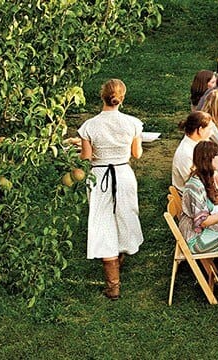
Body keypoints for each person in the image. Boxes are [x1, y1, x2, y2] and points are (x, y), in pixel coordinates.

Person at [78, 79, 144, 300]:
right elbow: (137, 154)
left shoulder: (89, 126)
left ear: (101, 96)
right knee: (125, 216)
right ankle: (118, 257)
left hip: (99, 176)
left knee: (102, 220)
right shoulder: (133, 123)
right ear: (122, 98)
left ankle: (113, 284)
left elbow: (86, 158)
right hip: (124, 174)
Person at [172, 111, 218, 205]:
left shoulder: (200, 142)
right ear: (200, 130)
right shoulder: (186, 154)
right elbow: (200, 192)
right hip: (197, 203)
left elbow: (213, 174)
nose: (212, 133)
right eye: (210, 129)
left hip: (211, 195)